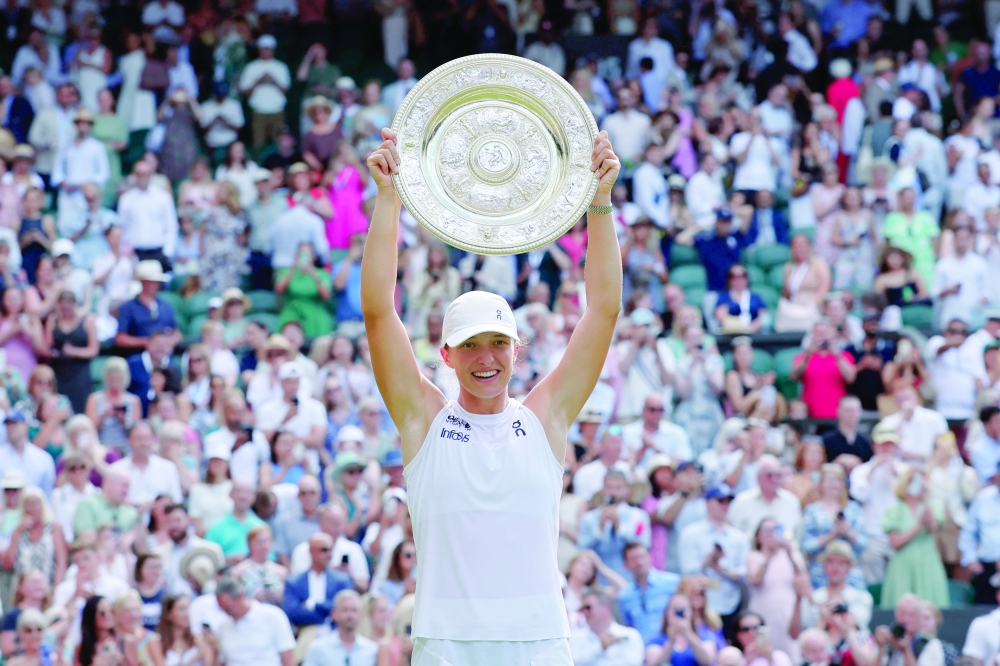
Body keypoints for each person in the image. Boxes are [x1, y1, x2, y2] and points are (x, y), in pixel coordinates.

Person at [361, 125, 622, 664]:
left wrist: (600, 205)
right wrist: (387, 198)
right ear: (448, 356)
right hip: (446, 646)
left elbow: (603, 311)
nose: (486, 358)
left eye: (498, 343)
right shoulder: (423, 419)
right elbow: (378, 313)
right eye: (471, 345)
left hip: (541, 644)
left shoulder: (545, 418)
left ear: (517, 349)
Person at [881, 467, 950, 609]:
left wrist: (926, 498)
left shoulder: (933, 506)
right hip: (903, 564)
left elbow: (933, 527)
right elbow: (895, 542)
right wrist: (918, 527)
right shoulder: (895, 509)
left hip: (928, 561)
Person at [679, 485, 748, 622]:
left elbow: (745, 572)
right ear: (708, 503)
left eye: (728, 501)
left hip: (731, 602)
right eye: (720, 501)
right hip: (701, 604)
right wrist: (708, 561)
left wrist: (722, 569)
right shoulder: (691, 534)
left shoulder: (738, 537)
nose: (725, 505)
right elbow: (687, 571)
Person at [746, 518, 808, 662]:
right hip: (764, 615)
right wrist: (768, 556)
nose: (772, 534)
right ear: (758, 536)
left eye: (776, 529)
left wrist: (789, 553)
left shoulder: (794, 555)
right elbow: (755, 580)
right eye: (767, 530)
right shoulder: (754, 557)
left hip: (788, 614)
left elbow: (803, 580)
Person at [800, 464, 867, 589]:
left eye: (838, 480)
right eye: (830, 480)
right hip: (820, 575)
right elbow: (806, 545)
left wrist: (847, 532)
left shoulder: (853, 509)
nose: (834, 484)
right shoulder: (812, 511)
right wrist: (833, 534)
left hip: (850, 575)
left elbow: (863, 544)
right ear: (821, 484)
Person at [215, 574, 297, 666]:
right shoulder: (223, 626)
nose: (227, 614)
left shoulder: (273, 616)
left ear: (240, 596)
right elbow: (222, 661)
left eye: (229, 609)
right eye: (223, 610)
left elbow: (289, 659)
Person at [116, 161, 178, 273]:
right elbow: (121, 228)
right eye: (138, 174)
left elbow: (171, 226)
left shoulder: (163, 198)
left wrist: (168, 252)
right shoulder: (126, 199)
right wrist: (125, 252)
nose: (142, 177)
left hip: (158, 251)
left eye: (145, 174)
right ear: (134, 175)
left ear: (151, 175)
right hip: (135, 253)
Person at [790, 318, 857, 418]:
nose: (821, 336)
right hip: (810, 414)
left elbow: (851, 378)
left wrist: (837, 355)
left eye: (825, 332)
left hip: (837, 414)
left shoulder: (844, 356)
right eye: (818, 333)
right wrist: (807, 355)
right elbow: (794, 376)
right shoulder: (803, 357)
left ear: (833, 334)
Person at [618, 543, 680, 643]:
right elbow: (629, 627)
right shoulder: (624, 597)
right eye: (633, 558)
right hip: (642, 647)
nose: (639, 562)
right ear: (626, 564)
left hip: (670, 644)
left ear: (650, 557)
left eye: (641, 556)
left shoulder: (672, 583)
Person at [727, 455, 803, 539]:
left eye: (778, 475)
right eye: (769, 475)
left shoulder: (792, 502)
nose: (774, 479)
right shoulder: (741, 501)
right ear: (758, 477)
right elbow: (731, 532)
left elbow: (798, 535)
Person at [569, 587, 645, 666]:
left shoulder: (630, 635)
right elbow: (573, 662)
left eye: (588, 607)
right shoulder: (575, 636)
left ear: (606, 606)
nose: (584, 612)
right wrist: (599, 648)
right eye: (582, 608)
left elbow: (633, 662)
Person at [239, 35, 291, 149]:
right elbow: (244, 91)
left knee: (279, 144)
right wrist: (259, 81)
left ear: (273, 50)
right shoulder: (251, 67)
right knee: (258, 144)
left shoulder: (281, 67)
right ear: (259, 50)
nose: (266, 51)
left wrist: (273, 81)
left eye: (269, 49)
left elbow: (285, 90)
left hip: (277, 111)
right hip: (258, 112)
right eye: (263, 49)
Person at [303, 589, 379, 666]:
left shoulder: (372, 650)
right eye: (345, 610)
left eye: (354, 610)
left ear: (361, 615)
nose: (350, 615)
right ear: (334, 614)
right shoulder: (318, 648)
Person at [959, 463, 1000, 603]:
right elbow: (969, 531)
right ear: (996, 476)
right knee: (983, 609)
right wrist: (970, 558)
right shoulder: (983, 498)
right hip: (987, 566)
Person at [645, 592, 719, 666]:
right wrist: (671, 641)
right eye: (675, 609)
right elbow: (653, 663)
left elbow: (707, 660)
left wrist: (688, 634)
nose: (678, 614)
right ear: (667, 613)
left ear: (691, 612)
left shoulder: (705, 637)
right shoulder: (656, 640)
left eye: (683, 609)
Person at [874, 594, 945, 666]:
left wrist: (906, 650)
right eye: (902, 614)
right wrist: (880, 648)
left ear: (919, 618)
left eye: (911, 615)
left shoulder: (931, 644)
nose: (906, 619)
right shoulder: (889, 641)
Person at [0, 411, 55, 495]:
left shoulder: (43, 458)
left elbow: (48, 492)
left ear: (25, 426)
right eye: (8, 425)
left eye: (15, 424)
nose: (11, 428)